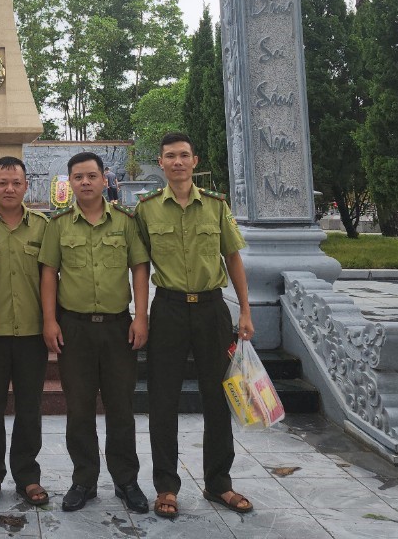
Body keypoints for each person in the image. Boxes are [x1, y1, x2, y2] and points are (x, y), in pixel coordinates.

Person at [134, 132, 254, 519]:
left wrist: (245, 311)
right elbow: (140, 265)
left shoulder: (216, 206)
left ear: (195, 161)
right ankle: (166, 487)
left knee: (218, 398)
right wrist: (140, 315)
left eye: (184, 155)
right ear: (161, 162)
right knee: (162, 400)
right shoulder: (147, 209)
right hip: (168, 310)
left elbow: (233, 258)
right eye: (170, 156)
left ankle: (219, 483)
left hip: (211, 309)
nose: (178, 162)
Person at [40, 151, 150, 515]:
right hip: (74, 329)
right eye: (78, 177)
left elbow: (139, 267)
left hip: (118, 327)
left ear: (105, 179)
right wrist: (50, 321)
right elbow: (48, 273)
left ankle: (126, 480)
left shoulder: (125, 222)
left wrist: (141, 317)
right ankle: (84, 480)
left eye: (91, 176)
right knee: (79, 408)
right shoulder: (58, 225)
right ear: (69, 183)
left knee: (121, 407)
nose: (85, 182)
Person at [0, 156, 50, 508]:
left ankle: (28, 476)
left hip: (33, 332)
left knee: (30, 407)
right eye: (2, 182)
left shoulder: (43, 227)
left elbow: (52, 278)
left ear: (26, 186)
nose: (9, 189)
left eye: (16, 183)